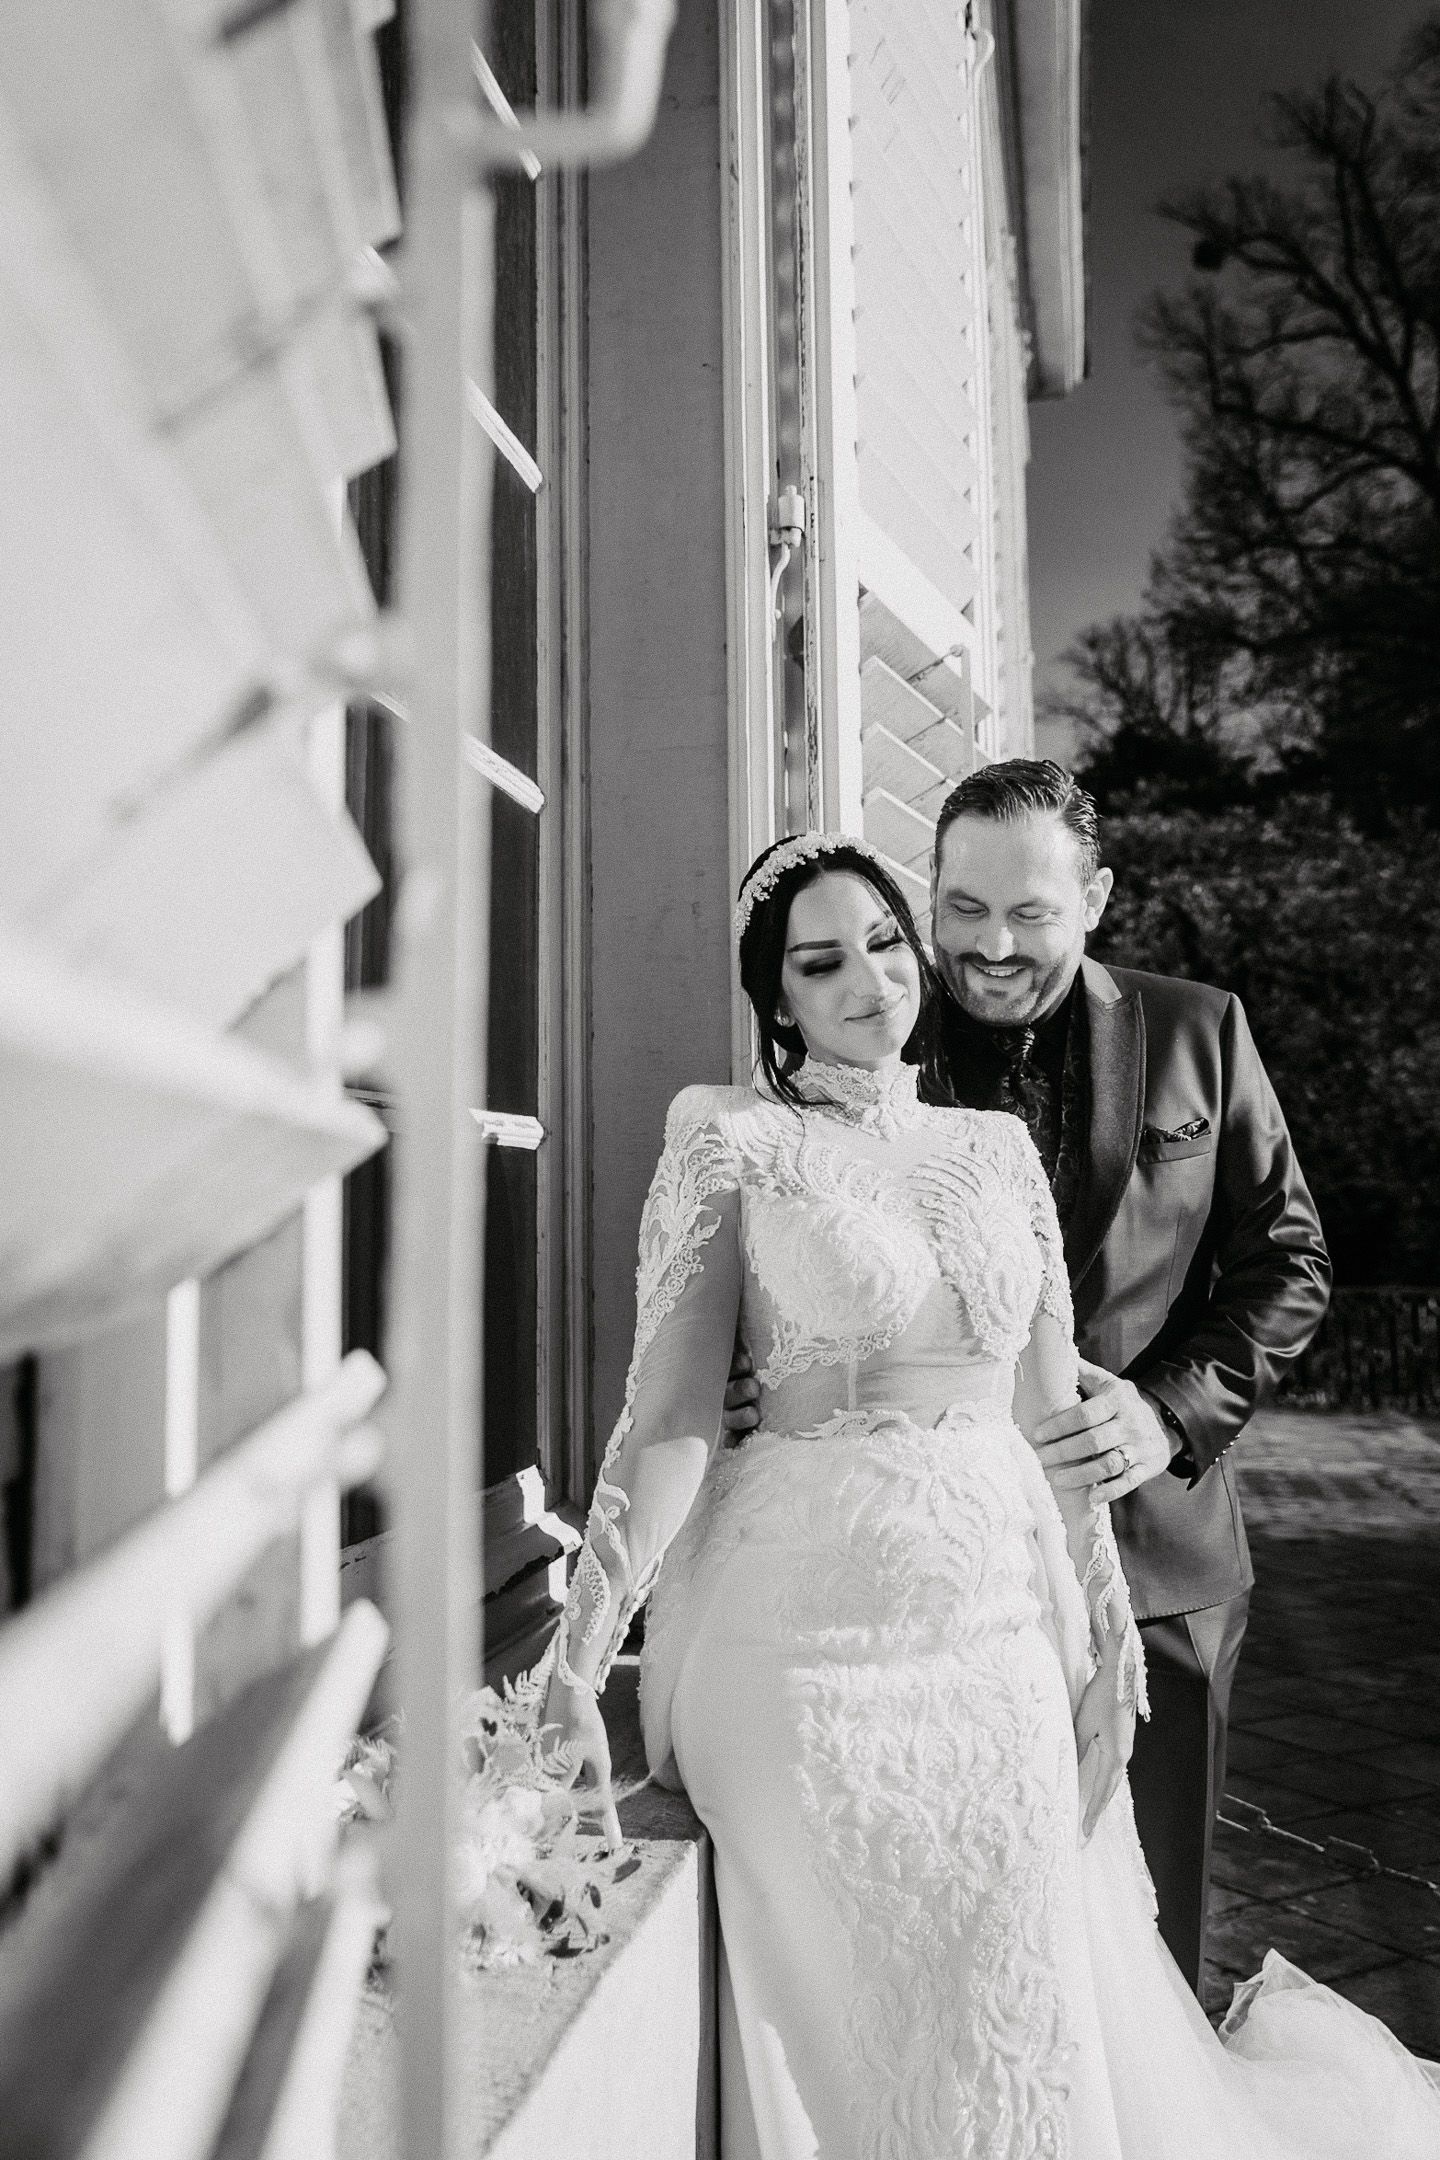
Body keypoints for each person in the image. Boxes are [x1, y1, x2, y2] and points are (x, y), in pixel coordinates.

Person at [541, 832, 1438, 2160]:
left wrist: (1105, 1642)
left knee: (1013, 1991)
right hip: (800, 1635)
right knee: (856, 2001)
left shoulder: (997, 1148)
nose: (868, 981)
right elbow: (669, 1416)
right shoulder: (728, 1137)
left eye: (885, 944)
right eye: (820, 962)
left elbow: (1044, 1416)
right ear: (775, 994)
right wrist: (577, 1649)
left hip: (999, 1631)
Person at [724, 762, 1331, 1992]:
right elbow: (795, 1251)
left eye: (1031, 914)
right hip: (931, 1591)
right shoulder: (867, 1030)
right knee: (964, 1958)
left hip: (1156, 1566)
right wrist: (760, 1383)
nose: (991, 948)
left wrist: (1168, 1413)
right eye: (962, 909)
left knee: (1151, 1961)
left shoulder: (1200, 1029)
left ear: (1094, 899)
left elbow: (1291, 1261)